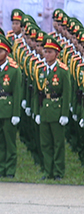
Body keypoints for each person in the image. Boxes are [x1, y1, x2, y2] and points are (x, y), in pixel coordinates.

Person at [33, 38, 73, 180]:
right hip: (45, 109)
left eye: (50, 52)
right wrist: (37, 112)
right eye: (45, 51)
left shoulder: (62, 71)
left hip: (57, 109)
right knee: (45, 143)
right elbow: (37, 93)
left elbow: (67, 93)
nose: (47, 54)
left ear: (57, 54)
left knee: (58, 143)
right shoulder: (41, 70)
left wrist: (64, 114)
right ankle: (48, 170)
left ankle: (58, 171)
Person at [0, 38, 23, 179]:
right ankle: (1, 168)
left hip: (8, 109)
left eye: (0, 51)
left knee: (9, 141)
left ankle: (10, 169)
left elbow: (17, 93)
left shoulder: (14, 70)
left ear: (7, 52)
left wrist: (16, 114)